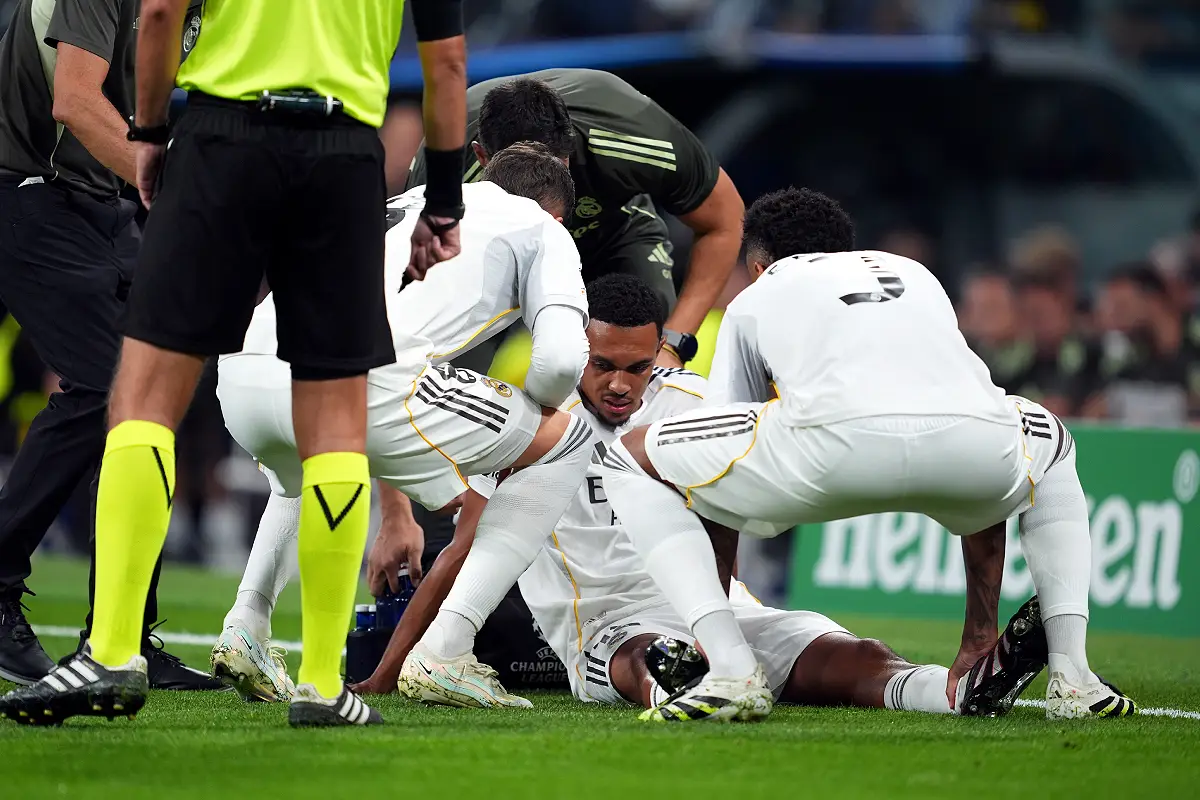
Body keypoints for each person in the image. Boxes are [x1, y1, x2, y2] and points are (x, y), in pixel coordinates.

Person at [0, 0, 468, 728]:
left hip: (224, 138)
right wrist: (442, 201)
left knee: (142, 400)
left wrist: (150, 134)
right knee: (336, 428)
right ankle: (322, 684)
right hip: (343, 152)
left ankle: (113, 650)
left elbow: (161, 13)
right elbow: (447, 63)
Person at [347, 274, 1046, 721]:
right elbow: (466, 548)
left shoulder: (693, 403)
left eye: (637, 368)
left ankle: (950, 691)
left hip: (719, 606)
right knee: (646, 655)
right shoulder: (528, 424)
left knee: (847, 652)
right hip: (608, 625)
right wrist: (386, 674)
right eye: (602, 365)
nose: (620, 385)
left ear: (660, 353)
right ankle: (678, 685)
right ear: (575, 352)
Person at [596, 187, 1137, 722]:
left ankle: (729, 669)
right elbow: (975, 415)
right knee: (1047, 439)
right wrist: (979, 633)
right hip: (972, 455)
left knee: (631, 457)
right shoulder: (916, 275)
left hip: (827, 453)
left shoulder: (760, 293)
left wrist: (718, 632)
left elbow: (718, 464)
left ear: (759, 266)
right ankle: (1075, 677)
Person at [208, 143, 596, 711]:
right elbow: (560, 361)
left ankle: (247, 623)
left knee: (304, 470)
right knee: (567, 441)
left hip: (246, 371)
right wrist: (532, 423)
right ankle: (446, 649)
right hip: (367, 378)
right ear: (557, 213)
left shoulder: (408, 200)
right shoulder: (542, 228)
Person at [0, 0, 217, 690]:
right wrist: (179, 194)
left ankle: (121, 634)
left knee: (153, 399)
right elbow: (74, 100)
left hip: (100, 199)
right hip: (24, 186)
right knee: (107, 387)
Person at [407, 68, 745, 372]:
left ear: (571, 146)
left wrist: (674, 343)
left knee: (641, 363)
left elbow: (724, 221)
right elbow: (410, 294)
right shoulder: (442, 172)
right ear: (481, 156)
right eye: (519, 186)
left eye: (552, 175)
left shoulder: (629, 132)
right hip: (488, 258)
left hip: (611, 237)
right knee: (440, 373)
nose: (545, 208)